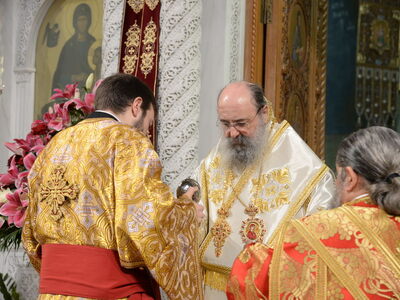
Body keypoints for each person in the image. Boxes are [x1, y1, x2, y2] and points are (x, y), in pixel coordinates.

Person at [22, 73, 205, 300]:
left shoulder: (54, 144)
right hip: (107, 293)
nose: (146, 132)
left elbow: (30, 232)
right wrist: (186, 212)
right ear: (137, 106)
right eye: (149, 123)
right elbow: (146, 218)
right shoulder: (127, 139)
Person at [193, 81, 335, 299]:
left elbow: (320, 230)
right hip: (216, 286)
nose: (231, 133)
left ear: (264, 113)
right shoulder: (215, 158)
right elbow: (193, 209)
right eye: (225, 124)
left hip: (270, 289)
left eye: (241, 123)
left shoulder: (304, 167)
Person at [227, 126, 400, 299]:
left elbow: (250, 280)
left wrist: (250, 251)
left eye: (337, 175)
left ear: (350, 178)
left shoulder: (314, 230)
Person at [51, 3, 95, 93]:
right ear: (75, 22)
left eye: (84, 19)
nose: (82, 23)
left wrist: (89, 77)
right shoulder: (69, 46)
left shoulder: (94, 43)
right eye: (79, 20)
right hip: (71, 92)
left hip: (89, 91)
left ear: (89, 21)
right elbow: (59, 76)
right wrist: (74, 77)